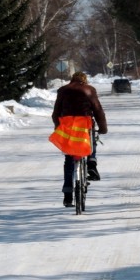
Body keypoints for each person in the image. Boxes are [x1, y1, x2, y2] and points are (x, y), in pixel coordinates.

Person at [51, 72, 108, 207]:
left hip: (68, 127)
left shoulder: (63, 90)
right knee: (91, 140)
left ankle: (67, 195)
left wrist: (58, 127)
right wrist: (103, 128)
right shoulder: (89, 90)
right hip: (85, 125)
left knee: (69, 160)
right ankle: (92, 163)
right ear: (85, 80)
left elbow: (55, 113)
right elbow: (98, 110)